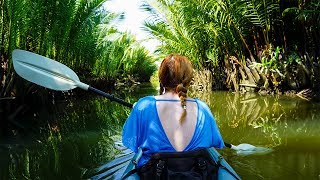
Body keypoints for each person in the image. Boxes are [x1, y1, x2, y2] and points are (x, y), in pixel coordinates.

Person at [122, 54, 225, 169]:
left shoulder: (144, 105)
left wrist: (138, 110)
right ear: (188, 79)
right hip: (196, 173)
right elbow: (216, 142)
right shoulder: (202, 107)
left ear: (161, 78)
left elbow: (131, 143)